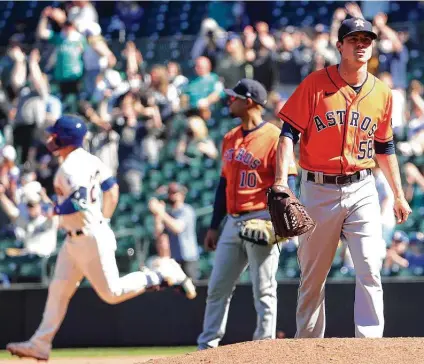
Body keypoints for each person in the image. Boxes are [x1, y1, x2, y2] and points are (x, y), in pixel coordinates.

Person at [6, 115, 196, 361]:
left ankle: (162, 273)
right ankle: (40, 344)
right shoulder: (91, 160)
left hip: (88, 237)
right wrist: (103, 219)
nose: (50, 138)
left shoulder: (69, 167)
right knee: (59, 289)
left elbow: (79, 201)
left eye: (55, 135)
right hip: (79, 237)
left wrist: (55, 210)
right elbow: (112, 191)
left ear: (64, 138)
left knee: (112, 293)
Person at [274, 17, 412, 338]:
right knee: (313, 277)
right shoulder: (314, 84)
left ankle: (369, 347)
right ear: (340, 46)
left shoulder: (382, 93)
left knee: (370, 267)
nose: (362, 44)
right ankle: (307, 349)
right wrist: (282, 181)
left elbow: (385, 146)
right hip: (317, 188)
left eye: (367, 39)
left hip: (362, 186)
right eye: (354, 39)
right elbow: (287, 134)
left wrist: (399, 193)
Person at [197, 79, 283, 350]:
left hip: (261, 218)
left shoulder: (274, 137)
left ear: (249, 102)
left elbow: (283, 184)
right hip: (232, 221)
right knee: (217, 288)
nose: (228, 101)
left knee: (264, 289)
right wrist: (214, 225)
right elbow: (224, 184)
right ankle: (207, 347)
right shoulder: (229, 138)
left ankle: (264, 347)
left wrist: (276, 222)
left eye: (233, 97)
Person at [149, 182, 200, 280]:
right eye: (170, 193)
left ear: (182, 195)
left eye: (174, 193)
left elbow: (177, 228)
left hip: (188, 259)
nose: (172, 196)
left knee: (191, 289)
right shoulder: (168, 213)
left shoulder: (187, 210)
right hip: (174, 260)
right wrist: (157, 215)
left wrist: (161, 212)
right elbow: (158, 233)